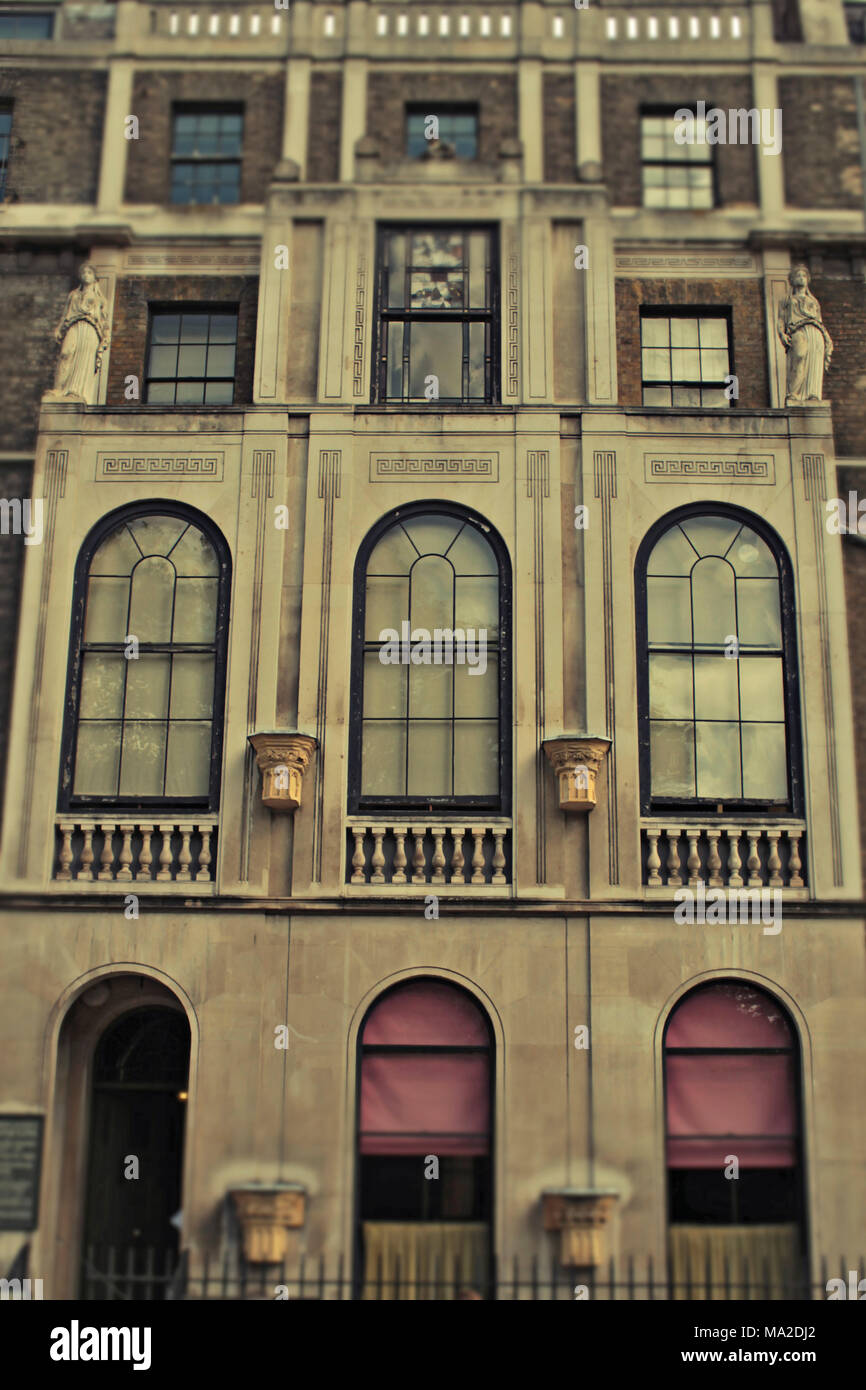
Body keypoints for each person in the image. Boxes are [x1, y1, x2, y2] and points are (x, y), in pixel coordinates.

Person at [45, 262, 110, 404]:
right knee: (65, 354)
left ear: (95, 277)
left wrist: (105, 338)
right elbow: (65, 314)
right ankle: (59, 389)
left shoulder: (101, 299)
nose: (86, 275)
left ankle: (77, 391)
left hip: (90, 328)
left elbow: (105, 322)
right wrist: (58, 328)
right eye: (84, 273)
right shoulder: (73, 294)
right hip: (73, 325)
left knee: (84, 358)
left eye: (89, 273)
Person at [777, 263, 832, 405]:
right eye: (798, 275)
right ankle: (794, 393)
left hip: (815, 332)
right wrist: (782, 334)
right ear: (792, 280)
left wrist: (826, 338)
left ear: (807, 280)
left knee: (814, 361)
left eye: (804, 276)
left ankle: (812, 394)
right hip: (797, 330)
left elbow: (819, 320)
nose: (801, 278)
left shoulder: (813, 301)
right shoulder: (787, 300)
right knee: (799, 357)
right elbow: (781, 319)